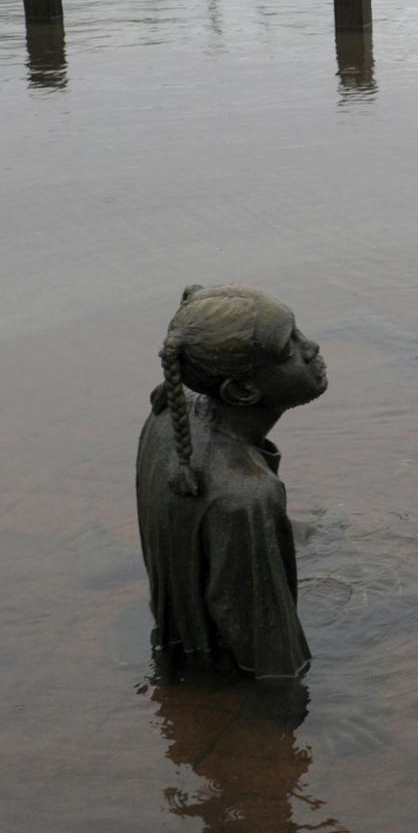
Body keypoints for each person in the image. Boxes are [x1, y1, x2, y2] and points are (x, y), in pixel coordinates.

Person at [135, 284, 328, 678]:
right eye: (288, 349)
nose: (312, 348)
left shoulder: (171, 415)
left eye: (298, 331)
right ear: (241, 390)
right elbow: (272, 656)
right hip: (220, 672)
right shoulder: (248, 496)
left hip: (181, 634)